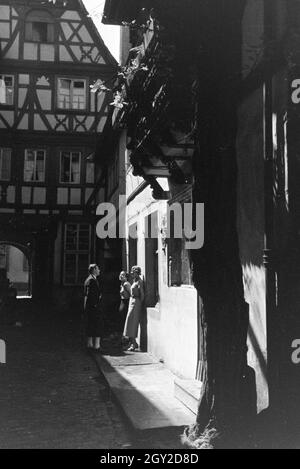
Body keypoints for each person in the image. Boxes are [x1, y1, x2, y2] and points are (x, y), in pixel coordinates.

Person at [123, 266, 144, 351]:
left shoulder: (139, 281)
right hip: (132, 302)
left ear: (137, 273)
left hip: (136, 303)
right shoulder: (134, 281)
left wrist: (140, 304)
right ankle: (132, 342)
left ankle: (133, 343)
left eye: (133, 272)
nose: (131, 273)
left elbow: (142, 294)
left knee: (133, 322)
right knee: (129, 322)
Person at [83, 264, 102, 351]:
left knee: (90, 325)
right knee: (96, 325)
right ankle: (96, 346)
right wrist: (95, 304)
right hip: (93, 307)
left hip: (90, 307)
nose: (99, 270)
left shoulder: (90, 279)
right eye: (98, 269)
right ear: (94, 269)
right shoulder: (91, 280)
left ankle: (90, 344)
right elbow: (91, 295)